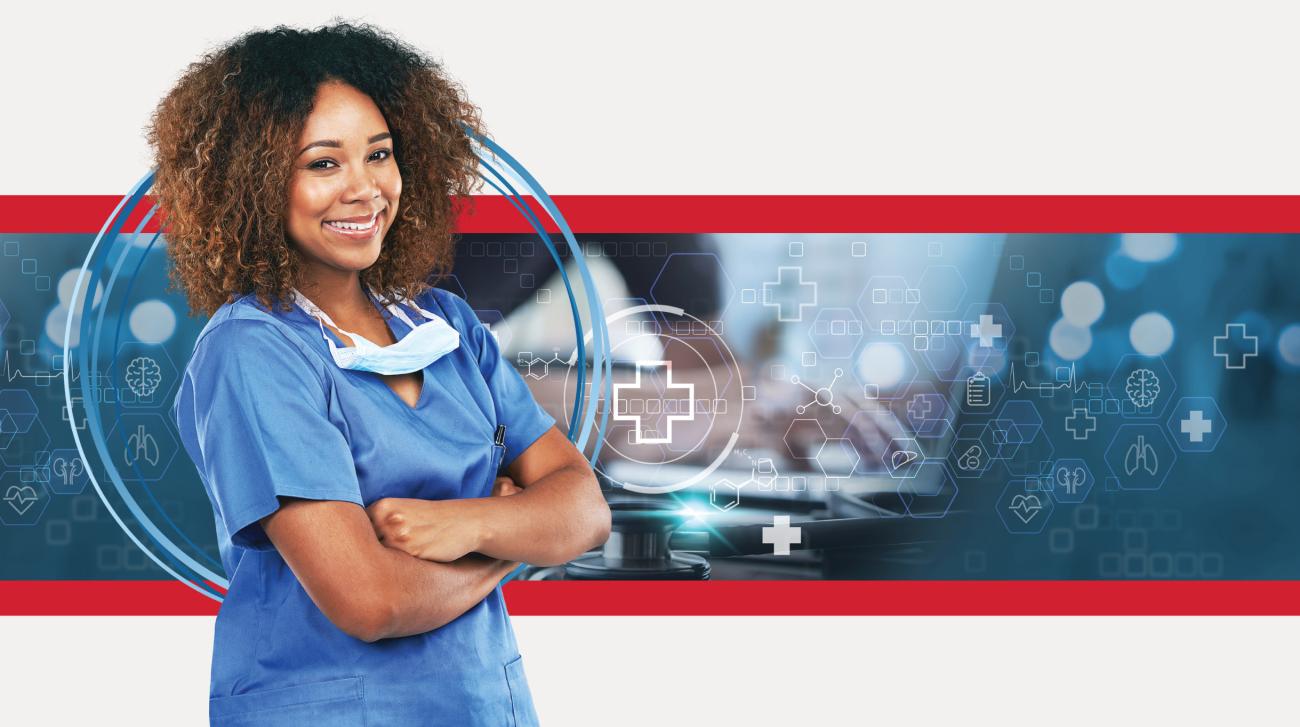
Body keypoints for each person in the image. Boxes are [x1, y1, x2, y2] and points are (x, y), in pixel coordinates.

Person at [156, 22, 610, 726]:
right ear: (252, 181)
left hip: (481, 702)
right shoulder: (253, 350)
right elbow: (368, 600)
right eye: (323, 164)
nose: (365, 189)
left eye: (380, 154)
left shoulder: (448, 324)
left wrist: (464, 523)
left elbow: (586, 508)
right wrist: (510, 537)